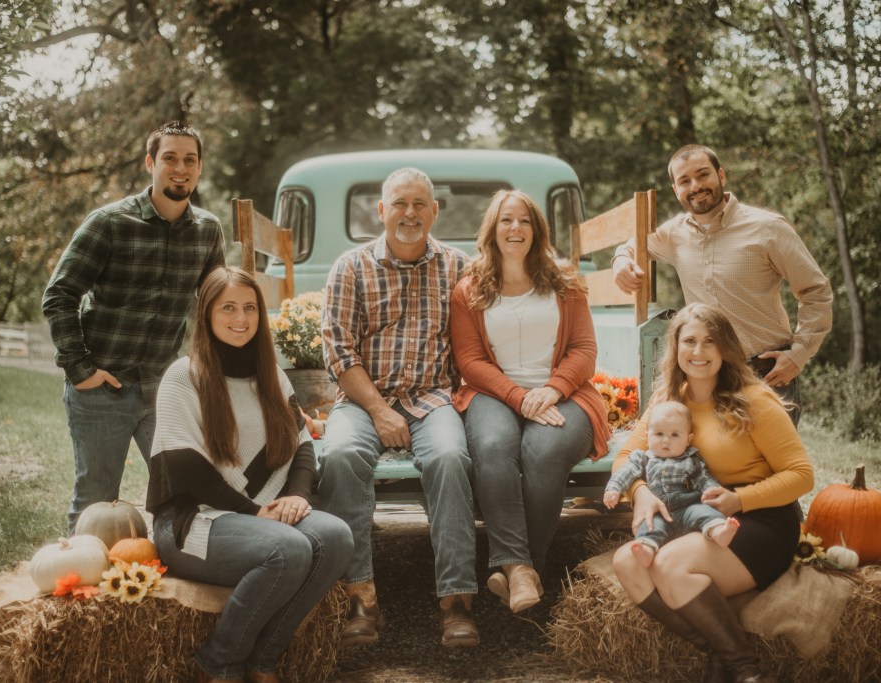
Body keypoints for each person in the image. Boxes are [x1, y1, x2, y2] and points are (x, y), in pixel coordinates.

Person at [146, 267, 353, 683]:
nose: (240, 318)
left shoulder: (272, 375)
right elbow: (187, 471)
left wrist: (298, 496)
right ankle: (218, 661)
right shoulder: (182, 378)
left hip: (264, 513)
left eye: (249, 308)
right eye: (228, 308)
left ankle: (263, 660)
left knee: (335, 538)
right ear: (206, 314)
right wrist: (254, 513)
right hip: (194, 522)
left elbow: (303, 446)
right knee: (289, 550)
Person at [610, 303, 814, 683]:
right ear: (676, 349)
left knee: (669, 565)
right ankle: (717, 651)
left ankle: (746, 671)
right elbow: (625, 456)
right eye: (689, 341)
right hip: (698, 514)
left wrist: (740, 499)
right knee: (627, 563)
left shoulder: (754, 399)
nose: (699, 352)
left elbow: (801, 475)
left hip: (758, 518)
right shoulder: (670, 401)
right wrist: (638, 492)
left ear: (725, 349)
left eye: (710, 342)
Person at [318, 167, 478, 647]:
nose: (410, 214)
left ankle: (456, 602)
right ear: (381, 210)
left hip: (434, 398)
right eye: (400, 204)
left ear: (434, 211)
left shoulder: (459, 267)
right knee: (342, 455)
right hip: (364, 401)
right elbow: (339, 350)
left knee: (450, 458)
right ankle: (360, 598)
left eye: (420, 204)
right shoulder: (350, 267)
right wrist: (378, 410)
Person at [42, 121, 225, 534]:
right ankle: (84, 590)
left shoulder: (208, 230)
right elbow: (59, 294)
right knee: (95, 501)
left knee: (188, 492)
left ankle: (171, 579)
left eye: (190, 160)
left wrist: (208, 370)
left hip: (165, 389)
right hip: (104, 386)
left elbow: (214, 308)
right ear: (150, 163)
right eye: (170, 158)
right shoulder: (109, 222)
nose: (180, 168)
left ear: (199, 168)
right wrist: (80, 369)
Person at [449, 190, 610, 614]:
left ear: (537, 230)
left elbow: (584, 349)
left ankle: (522, 569)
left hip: (564, 393)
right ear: (492, 229)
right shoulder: (469, 289)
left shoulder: (565, 283)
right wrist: (519, 397)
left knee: (543, 450)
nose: (515, 229)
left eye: (524, 221)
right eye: (506, 220)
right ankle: (522, 570)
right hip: (494, 393)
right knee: (492, 446)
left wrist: (553, 389)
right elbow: (469, 359)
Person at [612, 144, 832, 424]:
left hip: (768, 375)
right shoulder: (674, 234)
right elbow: (633, 245)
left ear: (721, 175)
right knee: (715, 467)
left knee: (773, 467)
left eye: (703, 175)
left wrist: (799, 354)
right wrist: (620, 260)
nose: (696, 186)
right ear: (675, 189)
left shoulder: (769, 229)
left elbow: (817, 292)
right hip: (708, 379)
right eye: (685, 181)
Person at [603, 400, 739, 568]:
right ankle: (646, 548)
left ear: (688, 440)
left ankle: (719, 531)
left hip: (687, 507)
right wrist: (614, 488)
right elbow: (625, 472)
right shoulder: (642, 458)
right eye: (659, 434)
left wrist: (713, 492)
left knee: (704, 512)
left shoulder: (691, 460)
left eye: (675, 435)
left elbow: (704, 479)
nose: (666, 441)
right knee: (649, 525)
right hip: (657, 511)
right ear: (647, 436)